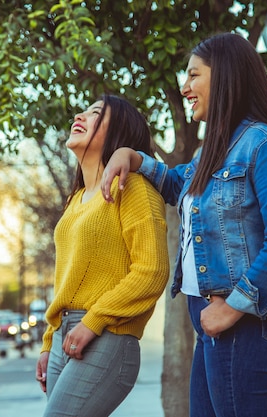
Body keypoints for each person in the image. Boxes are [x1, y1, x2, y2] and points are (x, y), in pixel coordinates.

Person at [100, 33, 267, 417]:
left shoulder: (264, 145)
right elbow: (179, 184)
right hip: (215, 324)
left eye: (194, 75)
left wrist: (232, 308)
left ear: (226, 77)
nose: (184, 87)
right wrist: (131, 157)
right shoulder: (213, 151)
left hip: (246, 322)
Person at [35, 95, 170, 417]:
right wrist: (48, 341)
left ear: (119, 131)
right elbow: (66, 280)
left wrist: (92, 322)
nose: (79, 115)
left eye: (96, 113)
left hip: (107, 333)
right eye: (83, 110)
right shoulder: (77, 199)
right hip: (65, 335)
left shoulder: (133, 188)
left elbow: (152, 271)